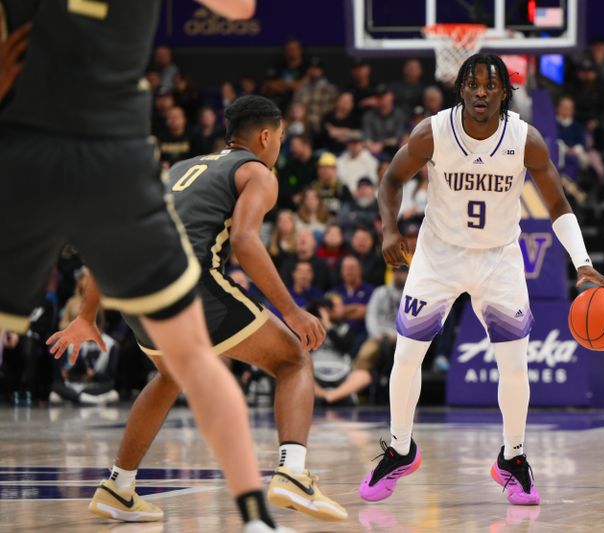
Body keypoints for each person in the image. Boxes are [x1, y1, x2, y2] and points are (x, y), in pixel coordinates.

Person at [0, 2, 285, 532]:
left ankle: (129, 489)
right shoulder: (247, 171)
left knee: (183, 367)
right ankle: (256, 518)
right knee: (196, 361)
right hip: (110, 154)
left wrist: (90, 316)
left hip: (30, 140)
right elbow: (240, 6)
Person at [47, 96, 345, 523]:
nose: (279, 146)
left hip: (137, 290)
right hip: (191, 285)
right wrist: (292, 312)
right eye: (280, 138)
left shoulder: (180, 169)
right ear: (265, 137)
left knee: (170, 375)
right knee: (293, 360)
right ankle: (293, 474)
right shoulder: (257, 172)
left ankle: (118, 486)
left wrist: (88, 315)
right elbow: (244, 240)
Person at [359, 54, 604, 506]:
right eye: (474, 84)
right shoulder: (433, 131)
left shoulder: (526, 140)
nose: (482, 92)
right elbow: (391, 180)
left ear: (504, 92)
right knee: (406, 356)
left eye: (491, 85)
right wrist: (388, 229)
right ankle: (401, 449)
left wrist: (582, 262)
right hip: (438, 256)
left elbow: (558, 206)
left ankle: (512, 459)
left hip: (499, 258)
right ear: (461, 88)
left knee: (514, 365)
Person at [317, 267, 407, 404]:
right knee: (366, 352)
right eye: (396, 272)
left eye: (403, 272)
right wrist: (377, 335)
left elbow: (414, 321)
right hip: (378, 335)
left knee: (410, 358)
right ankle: (352, 390)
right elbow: (370, 316)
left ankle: (406, 394)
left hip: (405, 338)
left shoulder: (413, 294)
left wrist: (398, 337)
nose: (399, 275)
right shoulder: (380, 292)